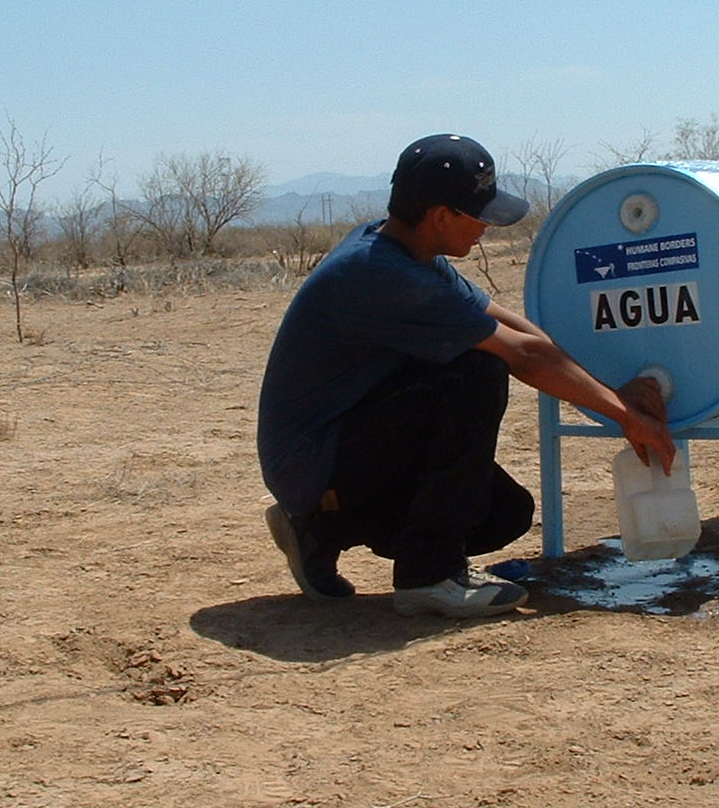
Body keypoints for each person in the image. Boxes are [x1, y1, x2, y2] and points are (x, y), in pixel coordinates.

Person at [256, 134, 675, 619]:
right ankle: (428, 577)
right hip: (313, 459)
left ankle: (318, 530)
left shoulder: (405, 250)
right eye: (478, 215)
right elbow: (520, 355)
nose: (484, 229)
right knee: (476, 370)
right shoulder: (381, 275)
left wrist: (609, 389)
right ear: (440, 216)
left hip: (337, 451)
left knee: (501, 514)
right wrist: (626, 416)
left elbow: (517, 328)